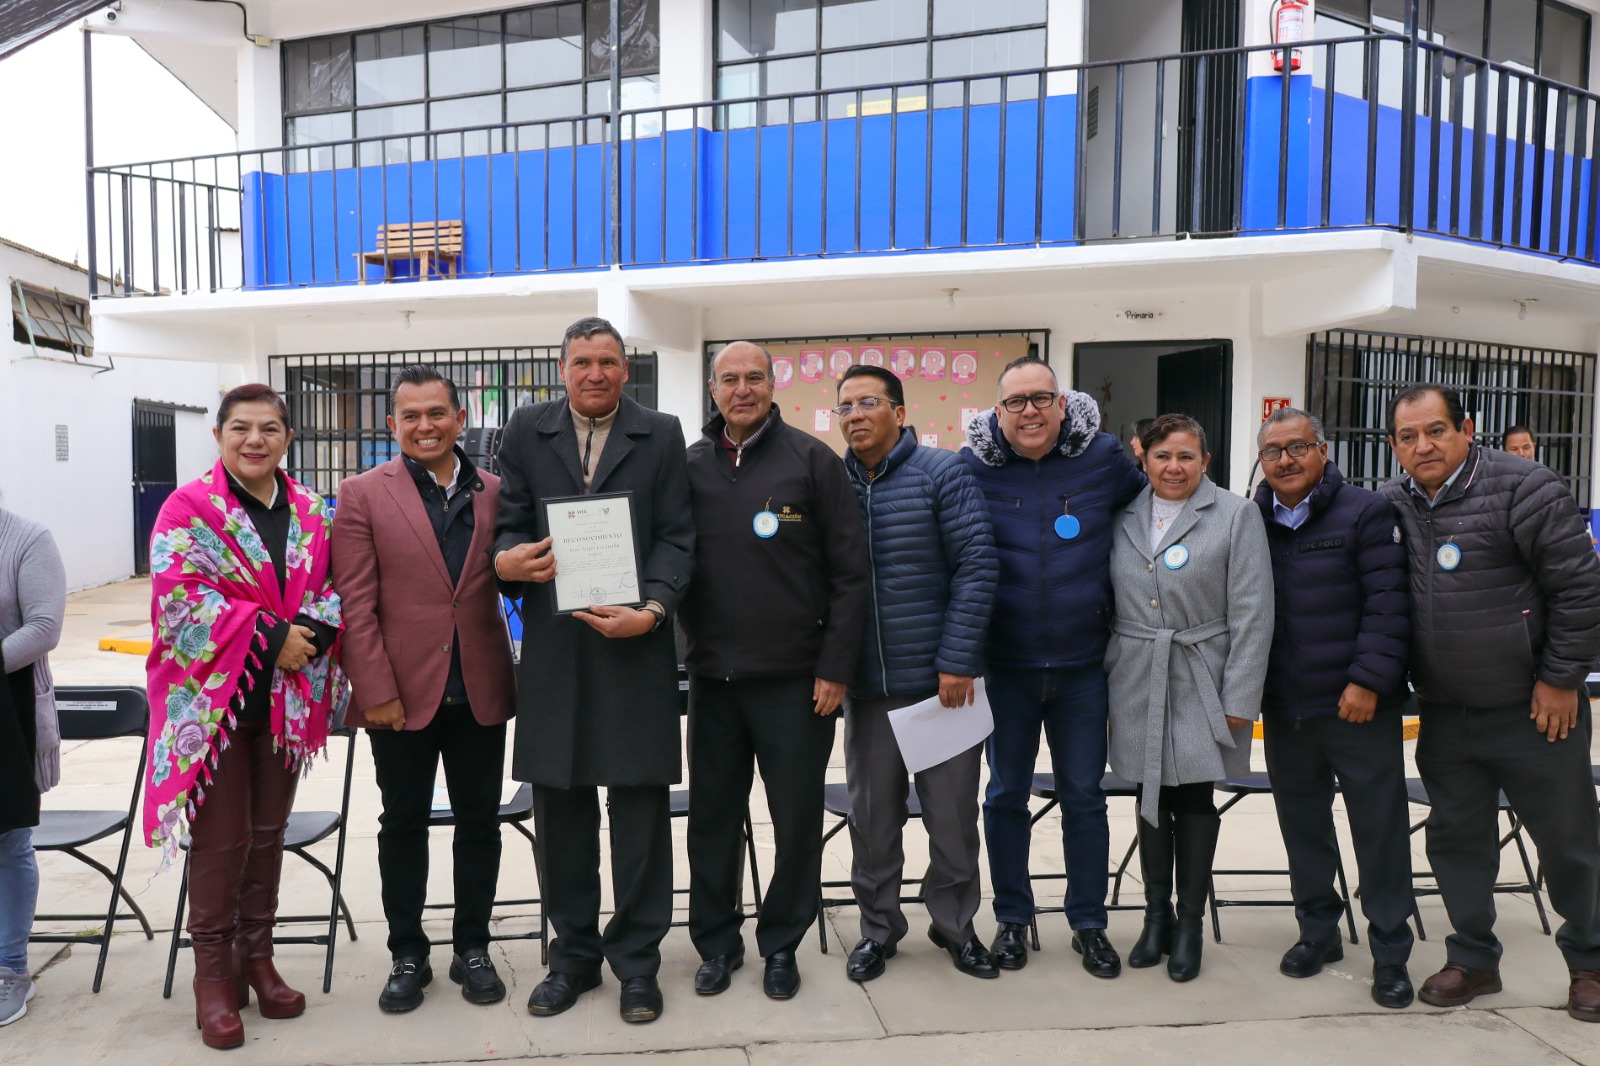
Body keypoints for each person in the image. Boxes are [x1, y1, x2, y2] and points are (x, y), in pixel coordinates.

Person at [493, 317, 693, 1025]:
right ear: (563, 368)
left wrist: (655, 608)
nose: (596, 373)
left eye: (608, 361)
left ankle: (638, 964)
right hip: (555, 648)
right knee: (561, 816)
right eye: (582, 362)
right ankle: (572, 959)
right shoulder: (526, 430)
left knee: (640, 816)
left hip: (634, 646)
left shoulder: (660, 433)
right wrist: (507, 561)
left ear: (625, 367)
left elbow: (677, 535)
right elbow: (508, 521)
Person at [1380, 384, 1600, 1023]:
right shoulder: (1393, 503)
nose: (1423, 446)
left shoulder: (1525, 488)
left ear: (1467, 429)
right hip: (1446, 715)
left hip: (1535, 711)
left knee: (1569, 843)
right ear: (1394, 445)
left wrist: (1560, 679)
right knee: (1457, 843)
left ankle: (1589, 963)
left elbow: (1580, 590)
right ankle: (1473, 958)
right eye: (1408, 436)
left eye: (1436, 430)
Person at [143, 383, 346, 1050]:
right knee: (222, 841)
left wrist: (308, 636)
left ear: (288, 437)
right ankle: (213, 977)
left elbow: (334, 588)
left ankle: (257, 959)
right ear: (219, 436)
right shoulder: (187, 509)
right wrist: (271, 634)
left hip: (285, 701)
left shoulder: (312, 510)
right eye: (241, 428)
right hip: (211, 708)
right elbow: (180, 603)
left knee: (266, 834)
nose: (255, 440)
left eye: (269, 429)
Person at [681, 341, 868, 1001]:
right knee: (712, 820)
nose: (743, 389)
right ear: (713, 389)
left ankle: (782, 943)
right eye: (730, 378)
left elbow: (851, 574)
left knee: (795, 821)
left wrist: (835, 667)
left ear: (772, 384)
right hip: (713, 682)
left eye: (754, 377)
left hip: (797, 684)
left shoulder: (812, 461)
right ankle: (716, 944)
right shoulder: (690, 467)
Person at [332, 365, 517, 1013]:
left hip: (480, 687)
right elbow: (355, 603)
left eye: (437, 413)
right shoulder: (362, 494)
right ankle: (407, 952)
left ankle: (473, 946)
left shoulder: (497, 492)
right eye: (410, 416)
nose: (425, 426)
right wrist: (373, 687)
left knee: (479, 824)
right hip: (399, 694)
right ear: (393, 425)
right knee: (402, 823)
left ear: (460, 419)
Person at [960, 357, 1146, 976]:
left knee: (1084, 798)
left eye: (1042, 398)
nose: (1030, 411)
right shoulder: (971, 468)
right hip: (1005, 668)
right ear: (998, 412)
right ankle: (1012, 920)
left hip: (1082, 668)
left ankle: (1089, 924)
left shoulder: (1104, 459)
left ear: (1063, 404)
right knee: (1005, 796)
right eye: (1016, 402)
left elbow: (1154, 517)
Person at [834, 365, 1000, 982]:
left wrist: (957, 660)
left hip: (941, 689)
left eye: (868, 402)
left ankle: (955, 926)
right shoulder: (832, 483)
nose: (855, 415)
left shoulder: (941, 472)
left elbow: (976, 565)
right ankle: (878, 930)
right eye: (845, 406)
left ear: (899, 413)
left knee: (952, 820)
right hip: (867, 690)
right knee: (872, 821)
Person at [1252, 408, 1416, 1008]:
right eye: (1273, 451)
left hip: (1357, 708)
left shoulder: (1366, 512)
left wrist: (1368, 680)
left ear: (1323, 450)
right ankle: (1318, 933)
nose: (1286, 460)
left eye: (1298, 447)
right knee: (1303, 828)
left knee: (1379, 830)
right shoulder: (1252, 521)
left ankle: (1391, 953)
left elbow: (1388, 603)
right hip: (1286, 707)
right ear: (1261, 462)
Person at [1106, 413, 1273, 983]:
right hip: (1136, 674)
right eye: (1162, 456)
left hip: (1205, 673)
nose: (1173, 468)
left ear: (1205, 460)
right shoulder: (1124, 513)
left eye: (1185, 456)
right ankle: (1155, 917)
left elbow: (1253, 611)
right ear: (1144, 459)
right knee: (1148, 791)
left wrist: (1240, 696)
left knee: (1196, 797)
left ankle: (1190, 925)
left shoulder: (1235, 514)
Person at [0, 507, 65, 1027]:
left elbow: (44, 627)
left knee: (8, 841)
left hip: (12, 712)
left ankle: (10, 968)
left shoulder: (25, 539)